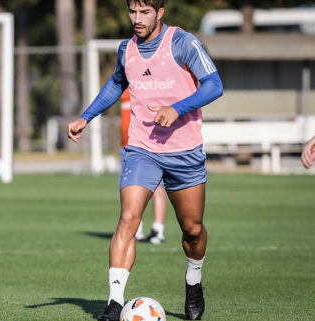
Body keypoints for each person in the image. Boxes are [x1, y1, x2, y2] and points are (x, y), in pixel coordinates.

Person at [67, 0, 223, 320]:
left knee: (192, 230)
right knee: (128, 217)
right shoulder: (127, 49)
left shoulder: (183, 43)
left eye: (144, 13)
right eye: (132, 12)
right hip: (142, 148)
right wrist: (86, 117)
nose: (136, 19)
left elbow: (215, 85)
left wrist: (177, 108)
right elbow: (116, 83)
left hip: (185, 151)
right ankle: (113, 303)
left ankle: (193, 280)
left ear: (159, 13)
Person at [121, 89, 167, 244]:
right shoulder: (127, 78)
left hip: (148, 146)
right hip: (127, 146)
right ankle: (136, 229)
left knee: (157, 187)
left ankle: (158, 230)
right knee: (130, 189)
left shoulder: (148, 83)